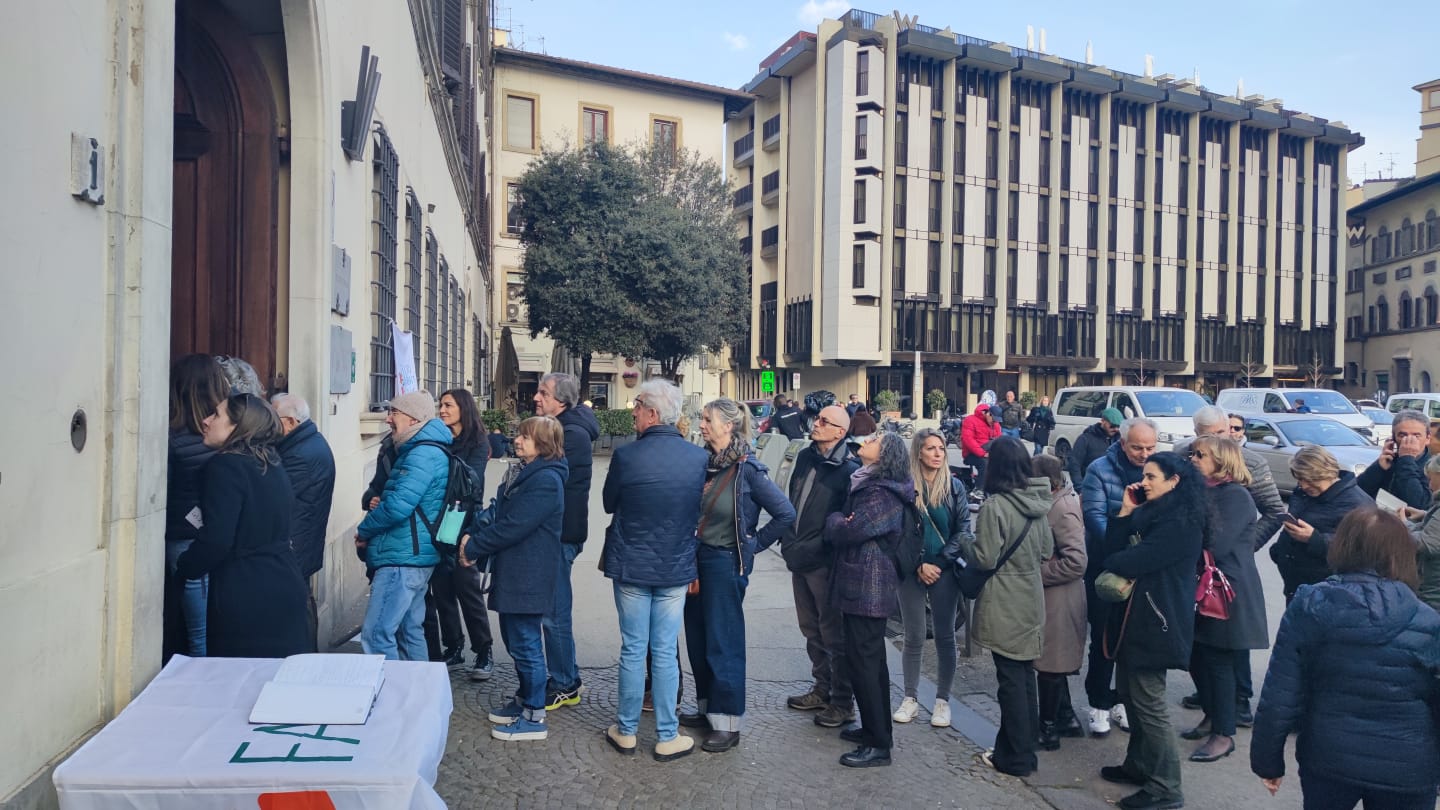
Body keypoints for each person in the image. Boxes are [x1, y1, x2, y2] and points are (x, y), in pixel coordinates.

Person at [1251, 507, 1440, 808]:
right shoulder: (1428, 620)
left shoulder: (1309, 605)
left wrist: (1267, 762)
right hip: (1407, 766)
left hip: (1328, 758)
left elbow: (1281, 693)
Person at [600, 380, 708, 762]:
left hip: (632, 563)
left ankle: (626, 731)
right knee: (663, 650)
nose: (633, 412)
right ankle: (667, 734)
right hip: (675, 565)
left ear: (652, 413)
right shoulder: (697, 457)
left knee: (634, 648)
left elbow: (608, 503)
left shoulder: (626, 455)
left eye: (637, 406)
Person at [681, 398, 795, 753]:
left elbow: (785, 513)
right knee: (697, 637)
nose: (701, 425)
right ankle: (707, 709)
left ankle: (728, 722)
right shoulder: (702, 465)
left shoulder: (749, 470)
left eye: (707, 419)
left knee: (723, 641)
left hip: (724, 562)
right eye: (701, 419)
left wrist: (752, 545)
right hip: (696, 560)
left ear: (728, 426)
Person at [1097, 452, 1205, 810]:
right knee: (1131, 695)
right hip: (1136, 618)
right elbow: (1113, 547)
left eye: (1151, 477)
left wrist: (1114, 561)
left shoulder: (1181, 522)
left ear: (1174, 481)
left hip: (1157, 622)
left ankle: (1167, 787)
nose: (1143, 482)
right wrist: (1126, 511)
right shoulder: (1152, 511)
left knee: (1149, 704)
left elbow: (1130, 560)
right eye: (1143, 475)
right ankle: (1139, 764)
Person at [174, 393, 311, 657]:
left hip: (246, 591)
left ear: (238, 427)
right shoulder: (270, 461)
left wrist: (185, 567)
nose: (206, 421)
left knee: (240, 675)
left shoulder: (225, 467)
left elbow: (217, 539)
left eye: (216, 415)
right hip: (284, 582)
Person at [458, 416, 567, 743]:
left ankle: (534, 716)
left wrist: (474, 547)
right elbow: (501, 514)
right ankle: (524, 699)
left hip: (529, 574)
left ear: (543, 444)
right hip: (518, 570)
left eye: (525, 437)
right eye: (518, 434)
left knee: (526, 642)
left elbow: (514, 525)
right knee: (515, 639)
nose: (517, 440)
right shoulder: (525, 472)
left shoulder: (546, 480)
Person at [1175, 406, 1285, 723]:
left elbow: (1273, 512)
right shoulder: (1188, 467)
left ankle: (1236, 707)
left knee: (1228, 648)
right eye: (1203, 441)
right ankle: (1214, 709)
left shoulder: (1244, 476)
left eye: (1224, 432)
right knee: (1204, 650)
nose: (1194, 458)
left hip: (1227, 578)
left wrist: (1246, 546)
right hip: (1203, 577)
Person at [825, 432, 918, 768]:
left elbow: (852, 529)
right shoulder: (870, 484)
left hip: (870, 586)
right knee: (869, 661)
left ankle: (878, 744)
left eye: (875, 439)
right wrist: (842, 521)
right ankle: (875, 730)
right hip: (863, 583)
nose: (866, 440)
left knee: (865, 664)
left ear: (884, 455)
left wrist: (834, 520)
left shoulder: (880, 492)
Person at [969, 436, 1054, 777]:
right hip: (1031, 595)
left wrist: (964, 542)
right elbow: (1047, 551)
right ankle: (1021, 751)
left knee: (1010, 682)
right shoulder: (1038, 502)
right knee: (1023, 676)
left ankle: (1016, 758)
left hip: (1004, 598)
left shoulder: (996, 506)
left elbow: (984, 557)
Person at [774, 404, 861, 728]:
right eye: (818, 418)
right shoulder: (806, 457)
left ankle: (842, 701)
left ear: (840, 432)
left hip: (824, 563)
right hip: (798, 556)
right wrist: (788, 538)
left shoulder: (848, 470)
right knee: (810, 628)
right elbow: (793, 502)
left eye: (825, 421)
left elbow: (844, 521)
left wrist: (818, 546)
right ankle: (822, 688)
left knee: (832, 632)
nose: (816, 423)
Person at [1183, 436, 1268, 764]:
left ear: (1222, 461)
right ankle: (1212, 714)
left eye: (1201, 455)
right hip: (1202, 586)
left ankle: (1224, 734)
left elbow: (1215, 544)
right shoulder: (1203, 490)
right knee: (1196, 656)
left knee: (1218, 660)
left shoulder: (1235, 496)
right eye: (1193, 453)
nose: (1193, 459)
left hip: (1226, 589)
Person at [354, 391, 449, 660]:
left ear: (413, 419)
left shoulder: (421, 454)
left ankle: (391, 688)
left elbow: (397, 506)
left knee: (377, 634)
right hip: (412, 555)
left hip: (402, 558)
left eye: (394, 412)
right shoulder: (423, 450)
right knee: (409, 632)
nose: (388, 419)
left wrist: (364, 529)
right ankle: (418, 687)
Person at [1079, 417, 1157, 736]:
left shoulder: (1159, 470)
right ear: (1122, 443)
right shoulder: (1099, 469)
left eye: (1150, 447)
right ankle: (1098, 703)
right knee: (1103, 637)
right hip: (1106, 564)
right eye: (1137, 447)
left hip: (1144, 567)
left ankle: (1123, 701)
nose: (1144, 454)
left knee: (1132, 640)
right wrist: (1123, 548)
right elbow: (1094, 517)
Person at [893, 429, 969, 729]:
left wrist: (937, 562)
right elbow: (897, 530)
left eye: (941, 449)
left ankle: (942, 701)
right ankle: (910, 697)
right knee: (913, 635)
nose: (937, 454)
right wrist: (917, 565)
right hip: (911, 569)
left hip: (944, 568)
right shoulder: (905, 485)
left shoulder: (954, 486)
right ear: (918, 452)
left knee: (945, 635)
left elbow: (963, 531)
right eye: (930, 448)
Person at [532, 372, 600, 710]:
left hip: (560, 534)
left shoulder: (571, 434)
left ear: (561, 401)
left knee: (554, 612)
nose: (536, 398)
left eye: (543, 393)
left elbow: (542, 477)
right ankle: (566, 675)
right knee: (552, 609)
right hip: (557, 532)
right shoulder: (565, 428)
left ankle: (564, 683)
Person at [424, 388, 493, 679]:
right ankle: (453, 646)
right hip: (437, 522)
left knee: (467, 588)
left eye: (448, 405)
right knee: (442, 589)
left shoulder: (477, 442)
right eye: (440, 405)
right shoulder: (439, 440)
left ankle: (484, 650)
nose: (442, 410)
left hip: (464, 521)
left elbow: (471, 482)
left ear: (463, 408)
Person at [164, 354, 228, 660]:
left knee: (196, 630)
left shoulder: (171, 437)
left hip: (182, 536)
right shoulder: (226, 435)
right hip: (219, 536)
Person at [1031, 453, 1088, 751]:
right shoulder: (1056, 502)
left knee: (1051, 666)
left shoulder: (1063, 508)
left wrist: (1036, 573)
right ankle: (1066, 718)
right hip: (1054, 596)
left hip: (1061, 598)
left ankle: (1048, 729)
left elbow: (1077, 561)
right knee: (1053, 662)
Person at [272, 393, 336, 650]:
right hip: (301, 540)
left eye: (273, 418)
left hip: (297, 542)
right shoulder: (306, 443)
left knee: (296, 606)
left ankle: (305, 656)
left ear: (290, 422)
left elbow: (277, 497)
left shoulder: (301, 453)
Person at [1274, 446, 1374, 602]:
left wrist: (1314, 539)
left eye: (1309, 480)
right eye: (1300, 480)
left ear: (1326, 473)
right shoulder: (1302, 493)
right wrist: (1279, 550)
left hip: (1330, 592)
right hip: (1297, 586)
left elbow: (1361, 550)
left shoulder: (1358, 504)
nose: (1304, 485)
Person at [1357, 409, 1431, 510]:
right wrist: (1378, 468)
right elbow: (1358, 493)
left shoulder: (1433, 467)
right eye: (1402, 435)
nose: (1408, 440)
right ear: (1393, 438)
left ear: (1427, 438)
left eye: (1416, 436)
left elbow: (1420, 504)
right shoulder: (1389, 460)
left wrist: (1407, 459)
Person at [1402, 454, 1440, 612]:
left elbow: (1426, 543)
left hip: (1433, 592)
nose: (1429, 485)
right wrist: (1425, 516)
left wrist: (1402, 525)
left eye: (1431, 479)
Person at [1067, 408, 1123, 487]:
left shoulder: (1120, 440)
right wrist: (1080, 487)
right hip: (1092, 486)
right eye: (1112, 426)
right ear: (1103, 421)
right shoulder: (1085, 439)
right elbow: (1074, 464)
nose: (1116, 429)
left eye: (1118, 426)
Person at [961, 402, 1001, 490]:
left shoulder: (996, 424)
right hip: (971, 453)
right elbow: (968, 440)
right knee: (985, 462)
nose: (994, 422)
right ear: (988, 414)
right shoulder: (970, 420)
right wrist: (983, 453)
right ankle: (980, 489)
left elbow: (999, 440)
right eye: (993, 420)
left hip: (988, 451)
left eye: (996, 421)